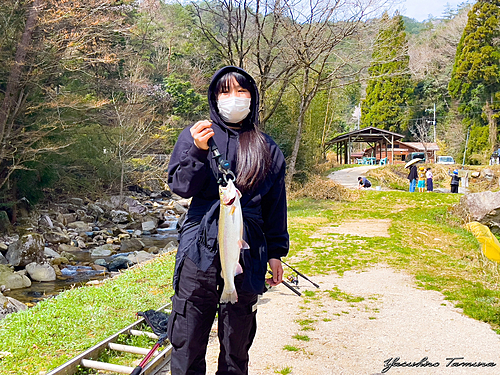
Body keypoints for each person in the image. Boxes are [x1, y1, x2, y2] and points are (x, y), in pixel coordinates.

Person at [166, 66, 289, 375]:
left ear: (252, 98)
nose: (233, 98)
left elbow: (275, 206)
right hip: (198, 250)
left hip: (248, 252)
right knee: (188, 337)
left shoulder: (268, 147)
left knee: (237, 344)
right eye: (225, 92)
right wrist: (196, 151)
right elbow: (181, 186)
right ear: (214, 97)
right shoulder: (198, 134)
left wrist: (276, 253)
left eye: (241, 91)